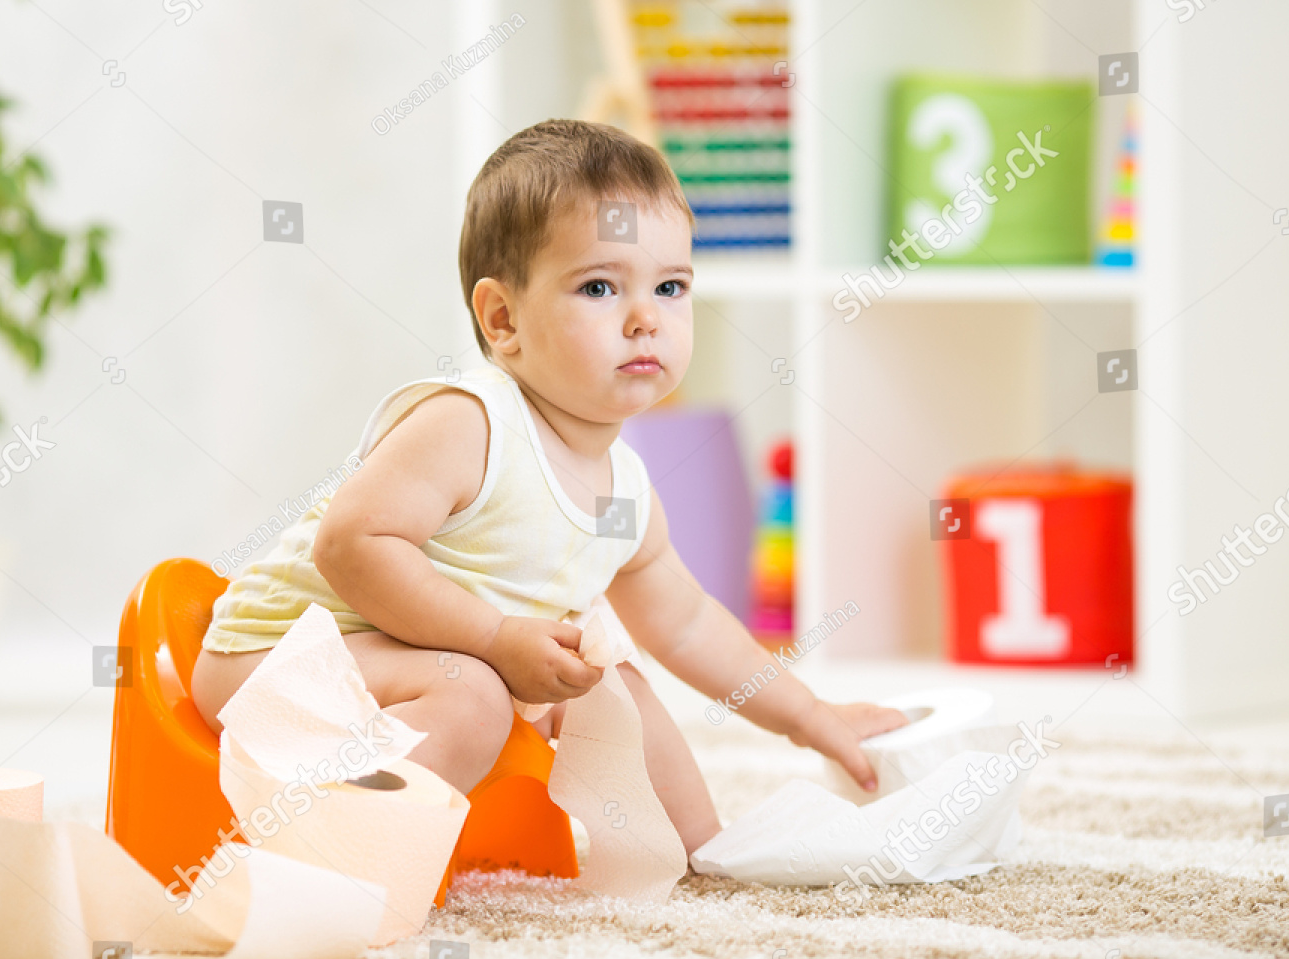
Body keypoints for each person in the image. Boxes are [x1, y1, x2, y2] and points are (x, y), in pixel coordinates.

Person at [191, 119, 906, 858]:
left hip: (413, 666)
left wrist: (811, 715)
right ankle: (340, 860)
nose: (645, 319)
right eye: (600, 286)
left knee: (613, 681)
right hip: (278, 661)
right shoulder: (470, 424)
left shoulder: (624, 483)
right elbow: (350, 543)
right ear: (503, 319)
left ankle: (705, 852)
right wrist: (498, 639)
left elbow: (688, 626)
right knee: (471, 694)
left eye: (670, 287)